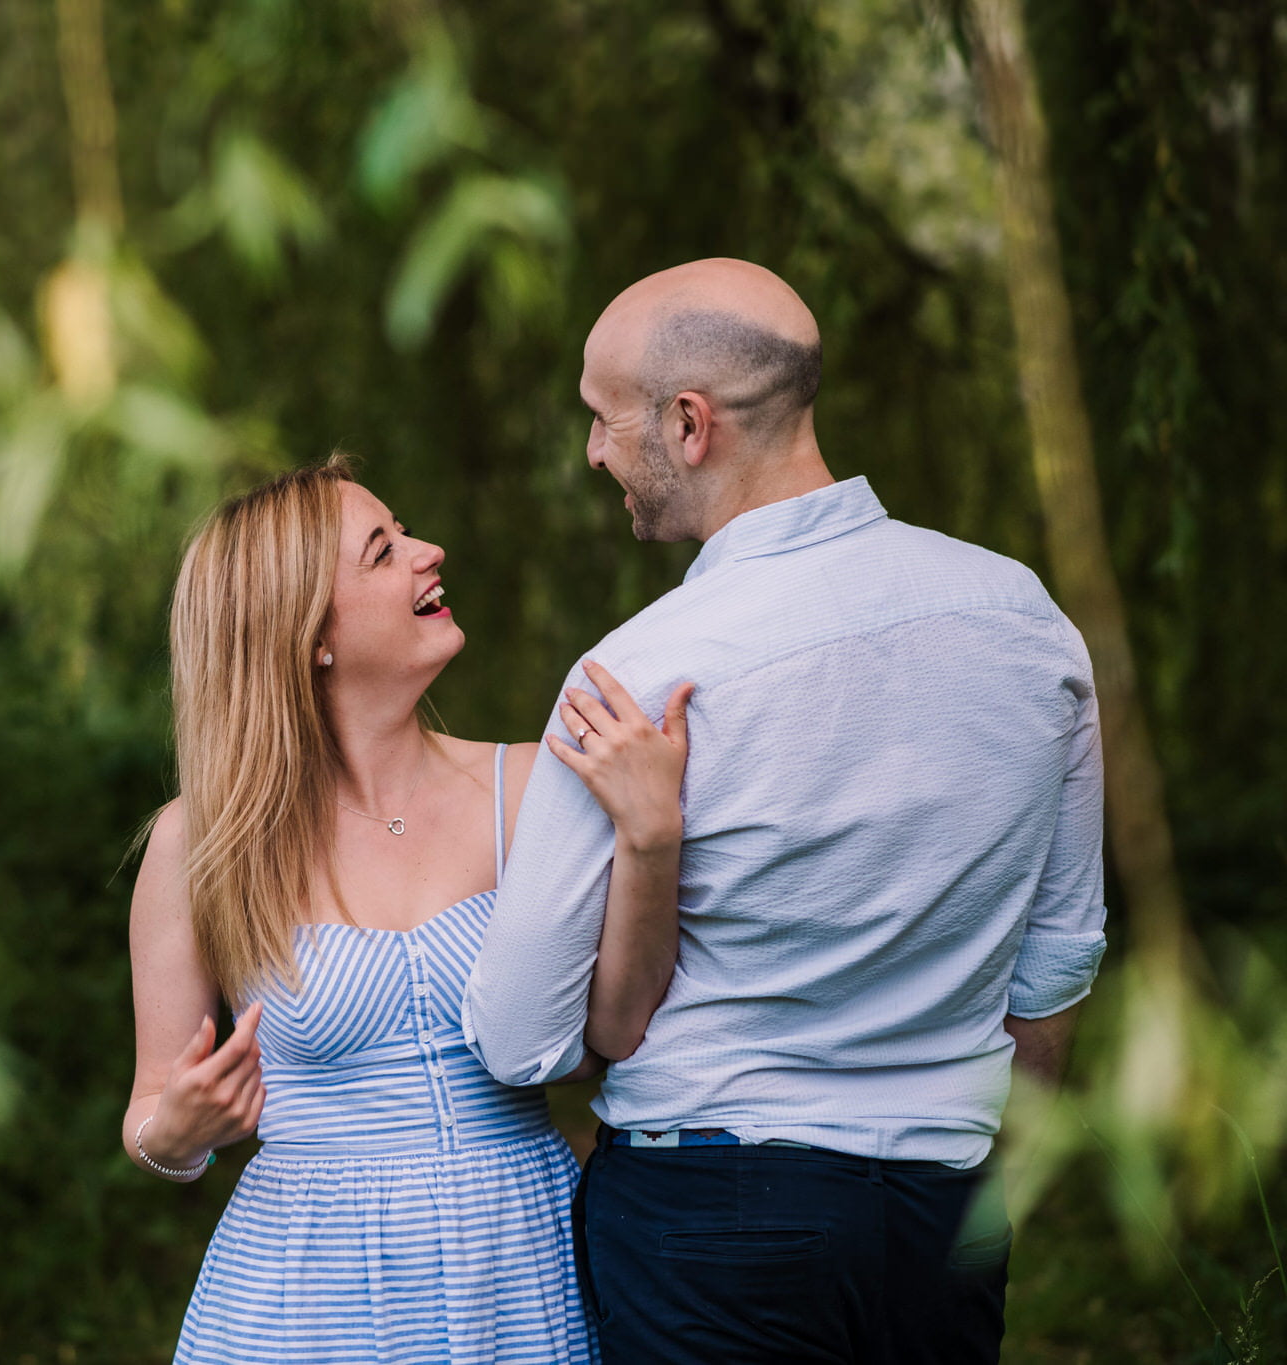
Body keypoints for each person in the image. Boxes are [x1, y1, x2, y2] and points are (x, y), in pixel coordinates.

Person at [464, 258, 1108, 1364]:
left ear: (686, 423)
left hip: (708, 1217)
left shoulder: (642, 672)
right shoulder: (1025, 621)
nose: (592, 454)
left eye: (601, 420)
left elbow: (519, 1038)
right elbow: (1055, 961)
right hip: (941, 1208)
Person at [122, 454, 694, 1364]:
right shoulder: (201, 841)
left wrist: (652, 840)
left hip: (518, 1264)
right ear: (311, 634)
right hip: (303, 1292)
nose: (430, 552)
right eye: (384, 552)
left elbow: (612, 1034)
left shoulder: (532, 786)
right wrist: (178, 1132)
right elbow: (149, 1111)